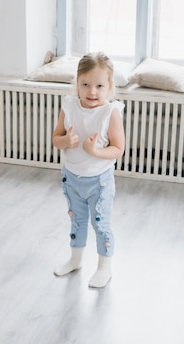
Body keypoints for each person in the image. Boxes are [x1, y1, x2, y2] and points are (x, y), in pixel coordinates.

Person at [52, 52, 125, 288]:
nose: (92, 92)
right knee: (77, 221)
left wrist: (95, 151)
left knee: (101, 224)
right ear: (77, 83)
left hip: (99, 182)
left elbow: (118, 149)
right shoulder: (69, 106)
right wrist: (66, 142)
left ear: (110, 87)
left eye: (99, 86)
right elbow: (56, 138)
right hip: (72, 178)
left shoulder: (110, 113)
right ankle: (75, 260)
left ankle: (104, 267)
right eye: (85, 84)